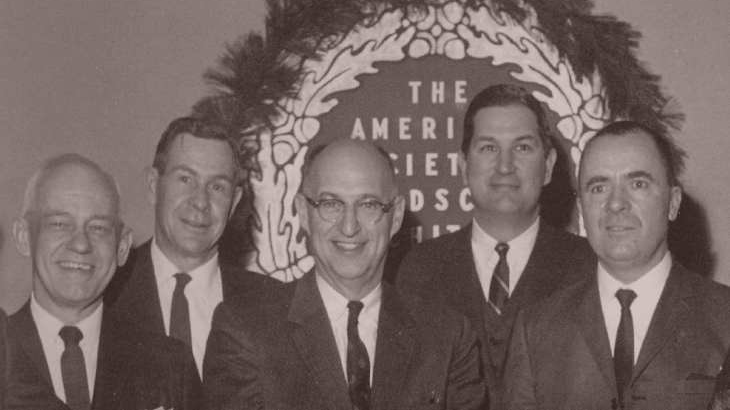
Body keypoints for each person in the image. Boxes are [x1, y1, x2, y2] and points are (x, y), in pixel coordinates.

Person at [203, 139, 487, 409]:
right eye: (331, 204)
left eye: (368, 205)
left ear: (396, 216)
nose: (349, 227)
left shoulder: (447, 337)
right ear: (303, 212)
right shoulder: (246, 330)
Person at [503, 120, 730, 410]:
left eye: (638, 184)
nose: (616, 203)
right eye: (599, 188)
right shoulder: (536, 330)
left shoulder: (723, 318)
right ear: (582, 210)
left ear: (673, 203)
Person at [396, 84, 595, 405]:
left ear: (547, 166)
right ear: (463, 166)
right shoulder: (420, 270)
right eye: (488, 147)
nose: (505, 166)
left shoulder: (589, 267)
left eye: (522, 147)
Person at [6, 153, 201, 410]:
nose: (81, 244)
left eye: (98, 228)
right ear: (23, 236)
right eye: (59, 224)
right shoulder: (4, 351)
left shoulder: (170, 366)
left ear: (122, 247)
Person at [105, 117, 273, 376]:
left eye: (217, 186)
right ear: (153, 185)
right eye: (185, 179)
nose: (200, 201)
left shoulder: (270, 305)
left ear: (234, 201)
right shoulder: (106, 291)